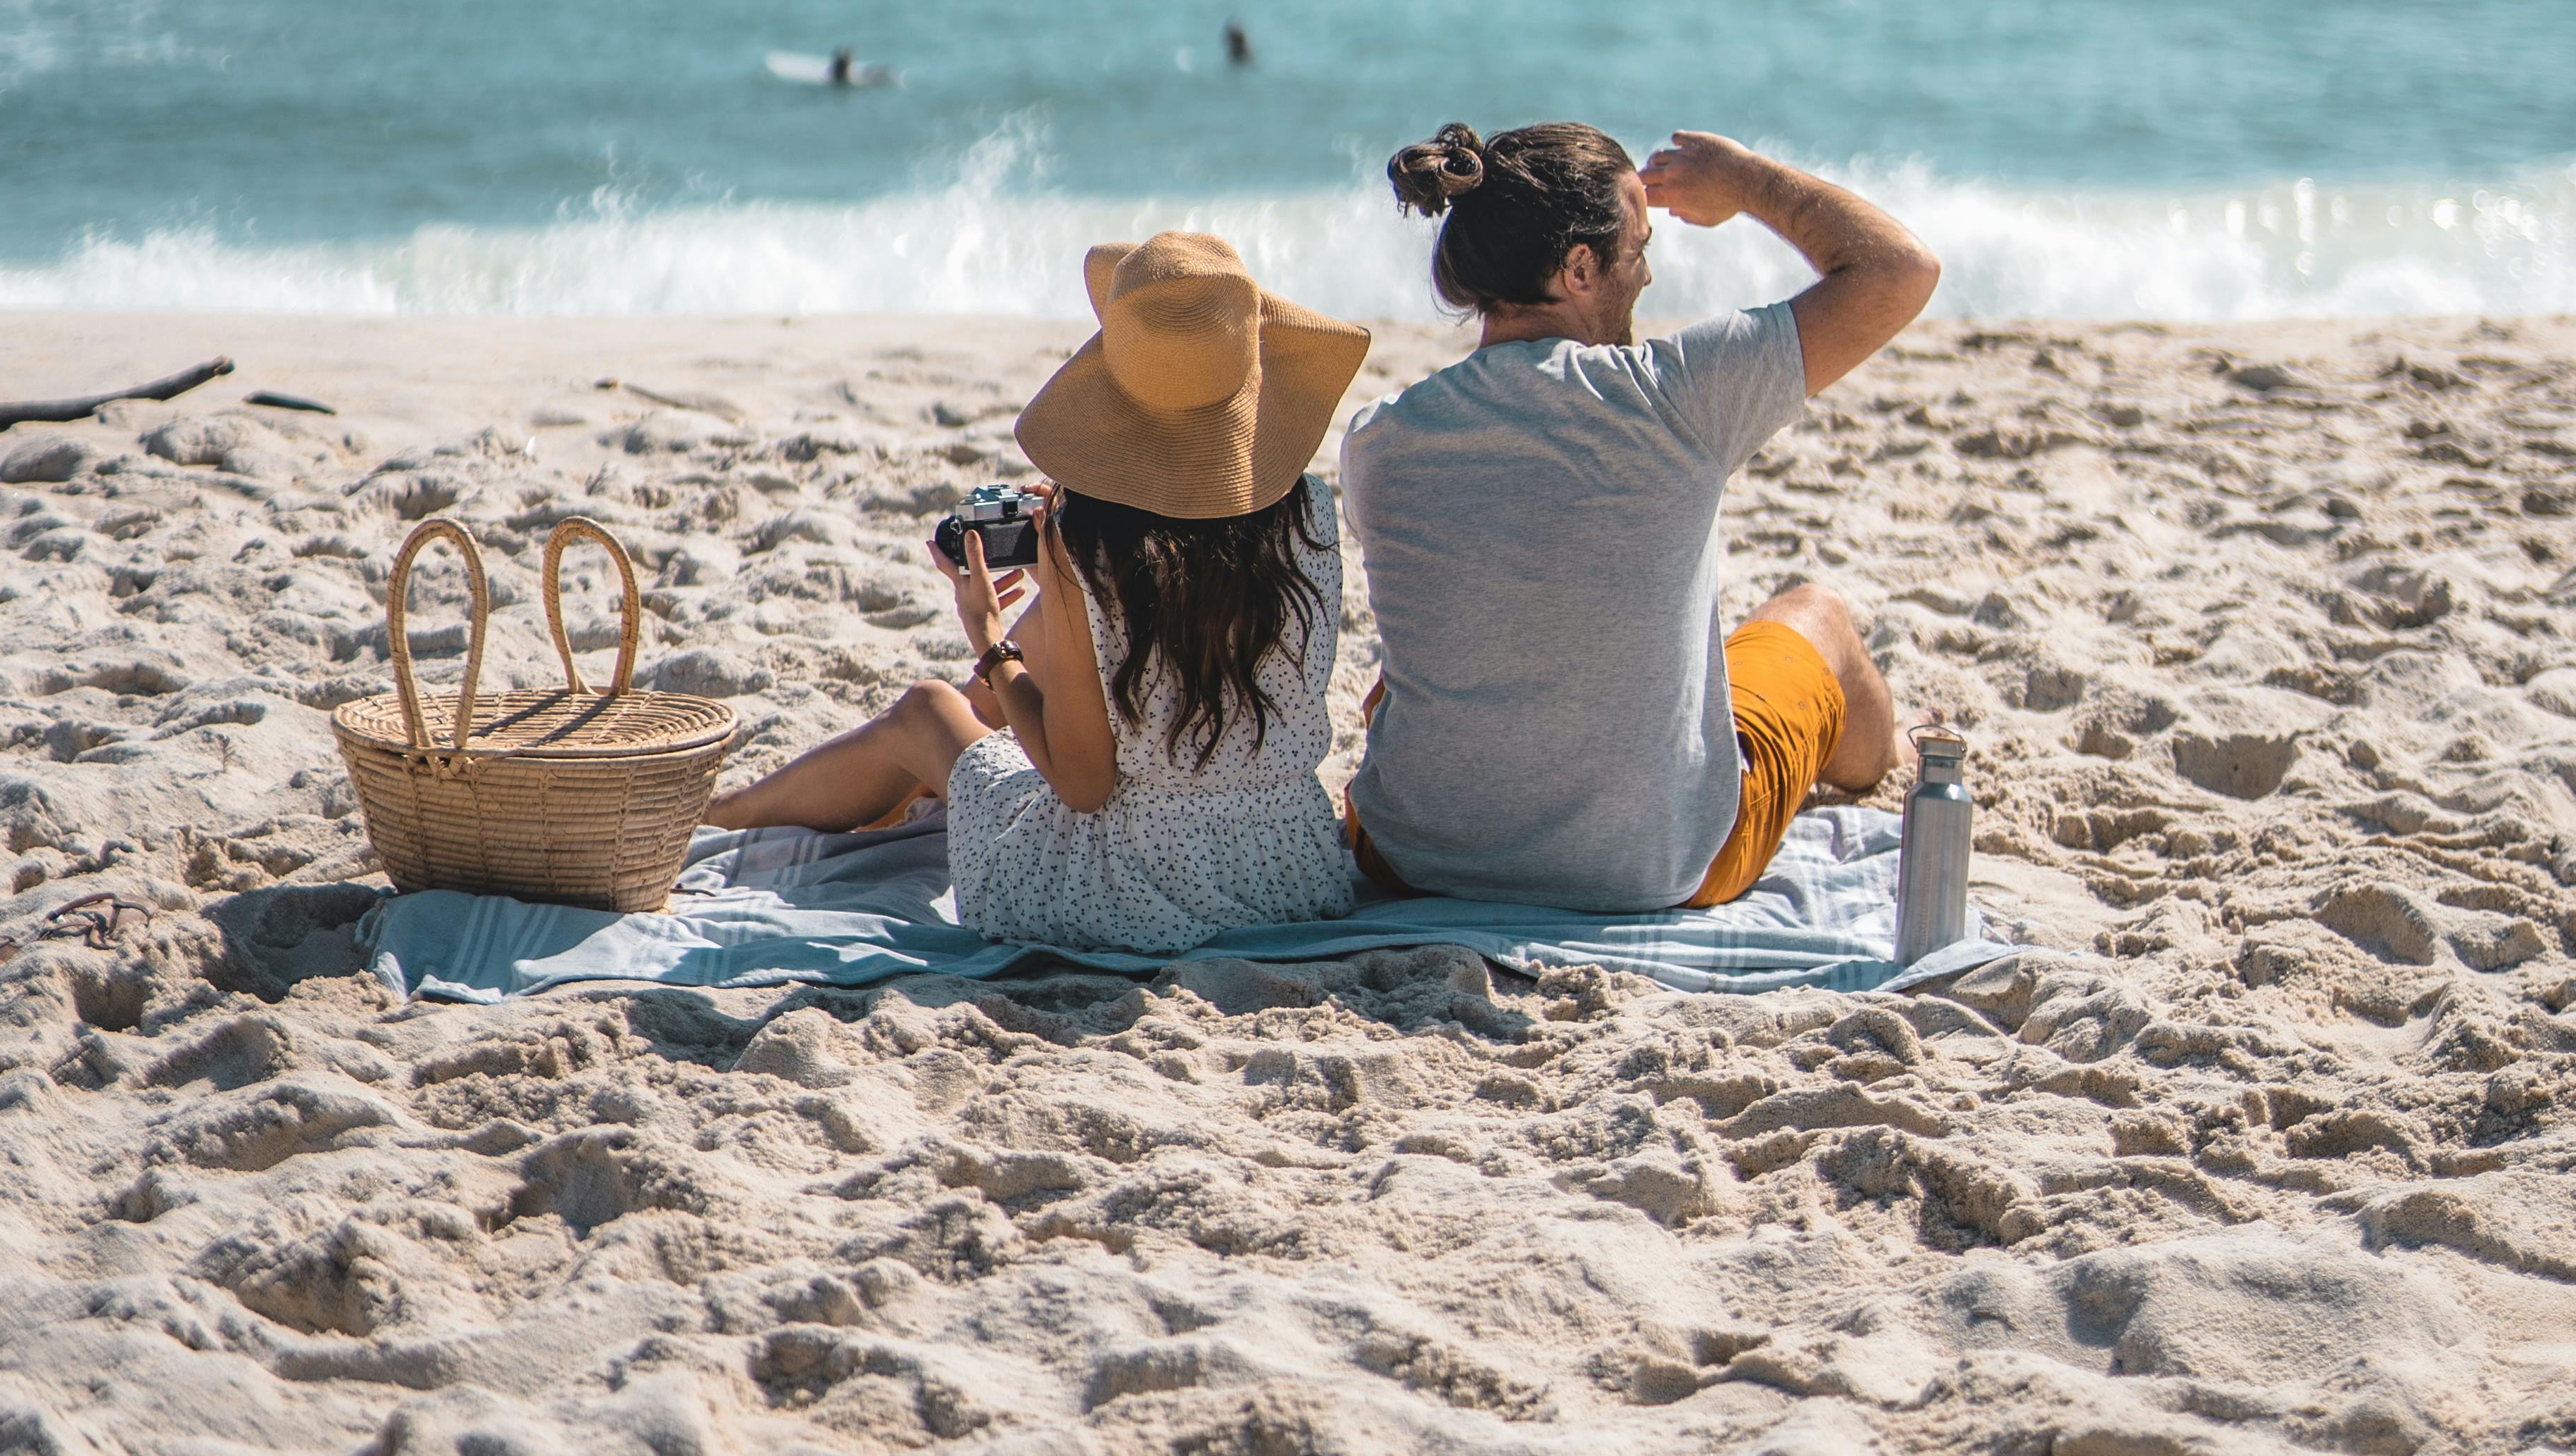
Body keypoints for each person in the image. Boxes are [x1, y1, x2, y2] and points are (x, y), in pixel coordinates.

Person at [709, 232, 1370, 949]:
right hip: (1291, 870)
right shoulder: (1308, 507)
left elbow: (1083, 787)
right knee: (1025, 669)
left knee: (929, 709)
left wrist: (992, 635)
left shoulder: (1090, 542)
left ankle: (722, 817)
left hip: (1134, 891)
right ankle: (811, 804)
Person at [1340, 120, 1938, 912]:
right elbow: (1900, 269)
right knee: (1816, 616)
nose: (1648, 274)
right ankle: (1881, 756)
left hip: (1412, 855)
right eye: (1637, 247)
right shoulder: (1675, 397)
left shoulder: (1379, 440)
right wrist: (1748, 179)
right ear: (1580, 267)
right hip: (1653, 867)